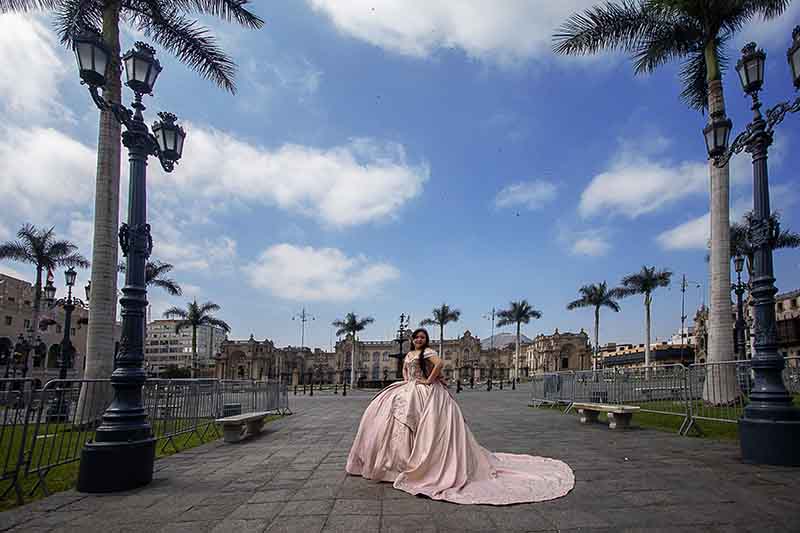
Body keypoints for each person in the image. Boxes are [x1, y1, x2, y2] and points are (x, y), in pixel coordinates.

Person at [346, 327, 574, 505]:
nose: (418, 340)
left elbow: (439, 365)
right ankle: (395, 462)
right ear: (412, 340)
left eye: (421, 337)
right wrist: (410, 383)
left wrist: (428, 380)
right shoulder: (409, 354)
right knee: (385, 411)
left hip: (425, 390)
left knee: (425, 424)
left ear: (426, 340)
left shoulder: (430, 352)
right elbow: (407, 373)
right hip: (409, 387)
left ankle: (417, 461)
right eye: (416, 337)